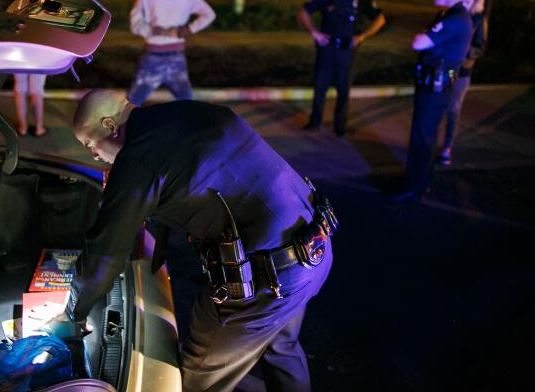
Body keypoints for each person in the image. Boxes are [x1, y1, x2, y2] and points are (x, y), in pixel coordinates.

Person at [65, 89, 335, 392]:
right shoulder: (184, 114)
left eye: (90, 144)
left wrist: (73, 310)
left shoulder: (139, 155)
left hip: (268, 281)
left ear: (110, 126)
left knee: (201, 373)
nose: (94, 155)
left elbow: (106, 251)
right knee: (280, 346)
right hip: (312, 248)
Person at [403, 0, 473, 200]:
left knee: (423, 137)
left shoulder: (456, 19)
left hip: (436, 87)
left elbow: (419, 43)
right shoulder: (451, 15)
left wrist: (422, 38)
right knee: (421, 135)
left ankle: (415, 188)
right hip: (432, 83)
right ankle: (414, 182)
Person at [298, 0, 386, 135]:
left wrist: (362, 36)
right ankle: (315, 122)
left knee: (343, 89)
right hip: (326, 49)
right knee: (320, 86)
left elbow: (380, 19)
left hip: (347, 51)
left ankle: (340, 127)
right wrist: (314, 32)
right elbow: (303, 12)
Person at [127, 0, 216, 105]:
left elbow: (135, 26)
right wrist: (188, 29)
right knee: (186, 102)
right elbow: (209, 14)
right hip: (176, 57)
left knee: (132, 102)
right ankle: (187, 127)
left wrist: (154, 31)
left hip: (152, 57)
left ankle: (124, 127)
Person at [439, 0, 488, 165]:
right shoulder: (454, 13)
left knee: (453, 109)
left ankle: (447, 146)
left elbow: (480, 46)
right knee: (441, 103)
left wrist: (465, 56)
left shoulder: (478, 19)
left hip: (463, 70)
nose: (465, 2)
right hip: (451, 68)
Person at [7, 0, 48, 137]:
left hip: (19, 48)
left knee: (20, 88)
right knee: (36, 90)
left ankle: (22, 126)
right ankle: (39, 127)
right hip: (39, 49)